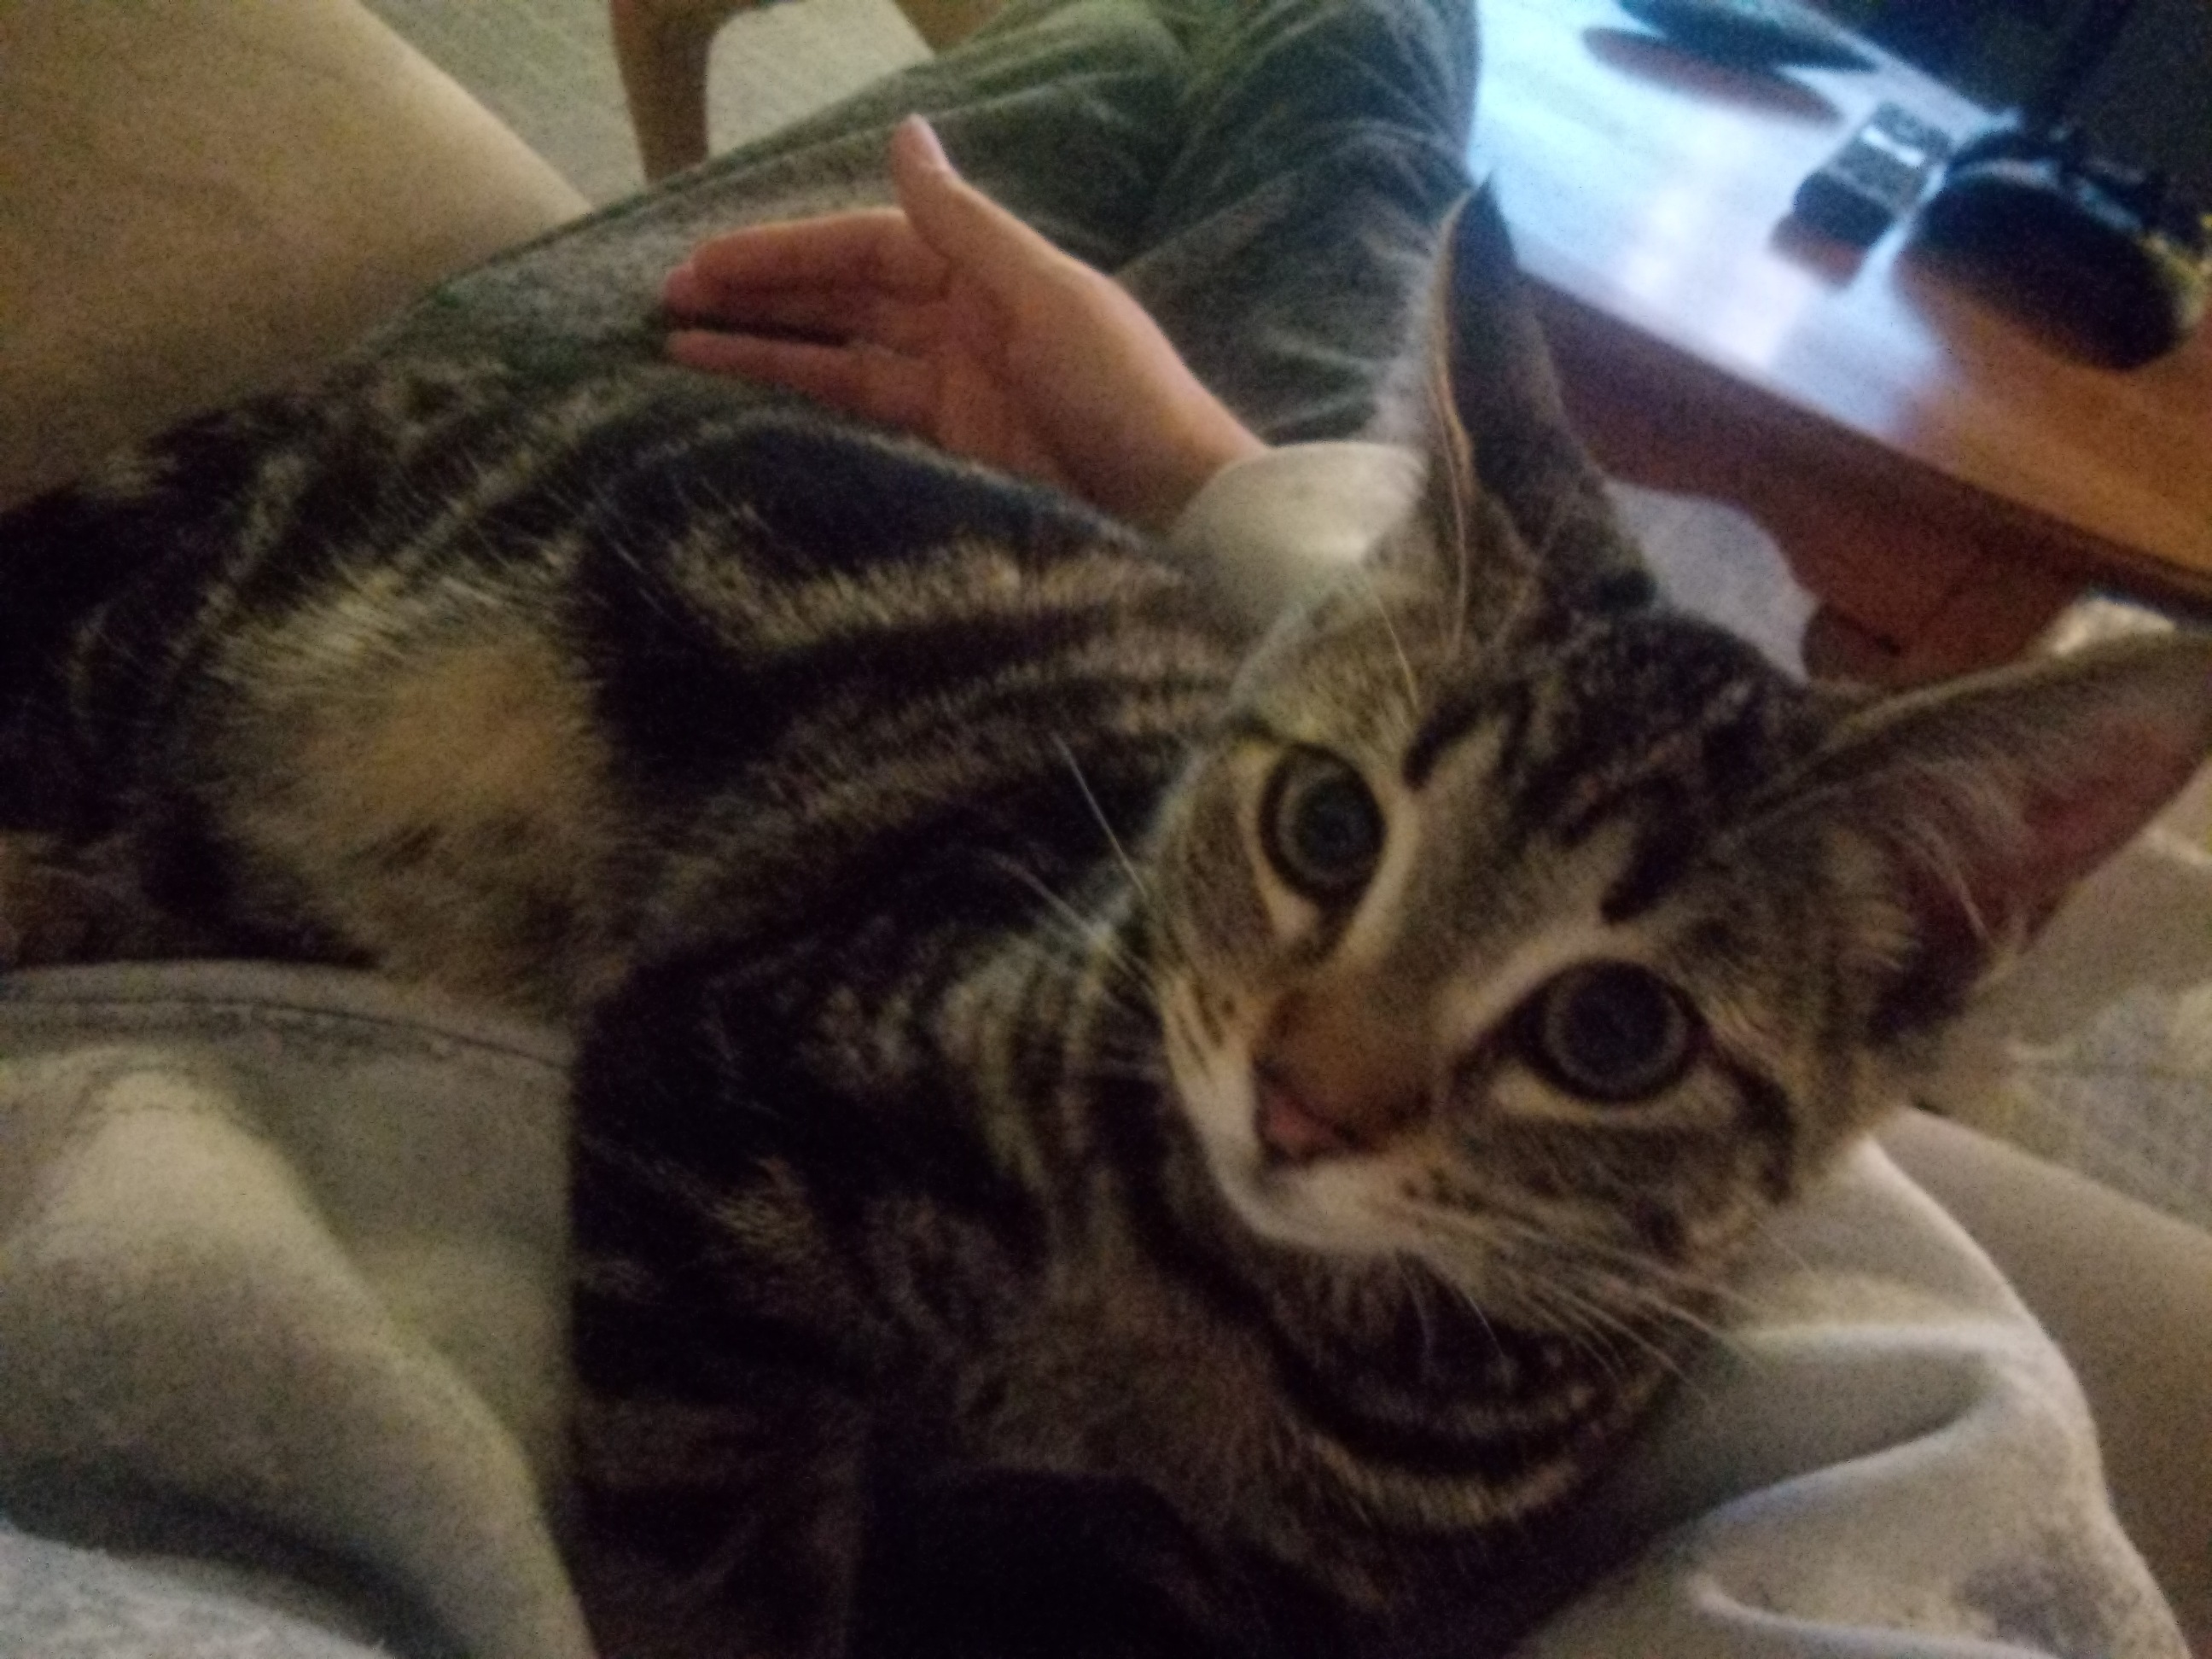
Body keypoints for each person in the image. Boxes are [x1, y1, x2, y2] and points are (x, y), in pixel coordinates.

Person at [0, 0, 2192, 1656]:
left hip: (362, 876)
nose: (1317, 1083)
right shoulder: (1080, 1036)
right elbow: (711, 1098)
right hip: (552, 589)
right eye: (1329, 840)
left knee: (1257, 70)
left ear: (1919, 976)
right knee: (1294, 86)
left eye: (1602, 1029)